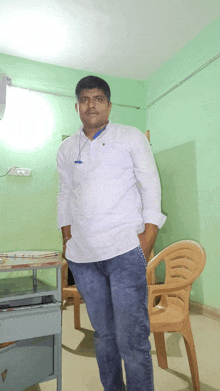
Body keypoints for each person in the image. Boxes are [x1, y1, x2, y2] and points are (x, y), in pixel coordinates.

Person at [56, 75, 166, 391]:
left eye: (98, 98)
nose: (92, 104)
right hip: (85, 258)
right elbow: (64, 193)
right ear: (77, 106)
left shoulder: (131, 138)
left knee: (132, 338)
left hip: (124, 251)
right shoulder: (66, 148)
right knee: (104, 335)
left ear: (109, 104)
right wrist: (67, 238)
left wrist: (148, 236)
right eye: (85, 99)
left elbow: (150, 184)